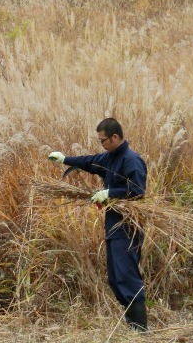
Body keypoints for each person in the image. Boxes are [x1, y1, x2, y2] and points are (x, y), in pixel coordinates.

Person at [48, 118, 149, 330]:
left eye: (103, 140)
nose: (101, 144)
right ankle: (132, 325)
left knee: (126, 276)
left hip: (127, 227)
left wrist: (110, 193)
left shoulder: (131, 160)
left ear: (115, 137)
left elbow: (138, 191)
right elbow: (90, 161)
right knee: (114, 277)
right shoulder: (110, 158)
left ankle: (140, 330)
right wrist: (66, 159)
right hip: (113, 226)